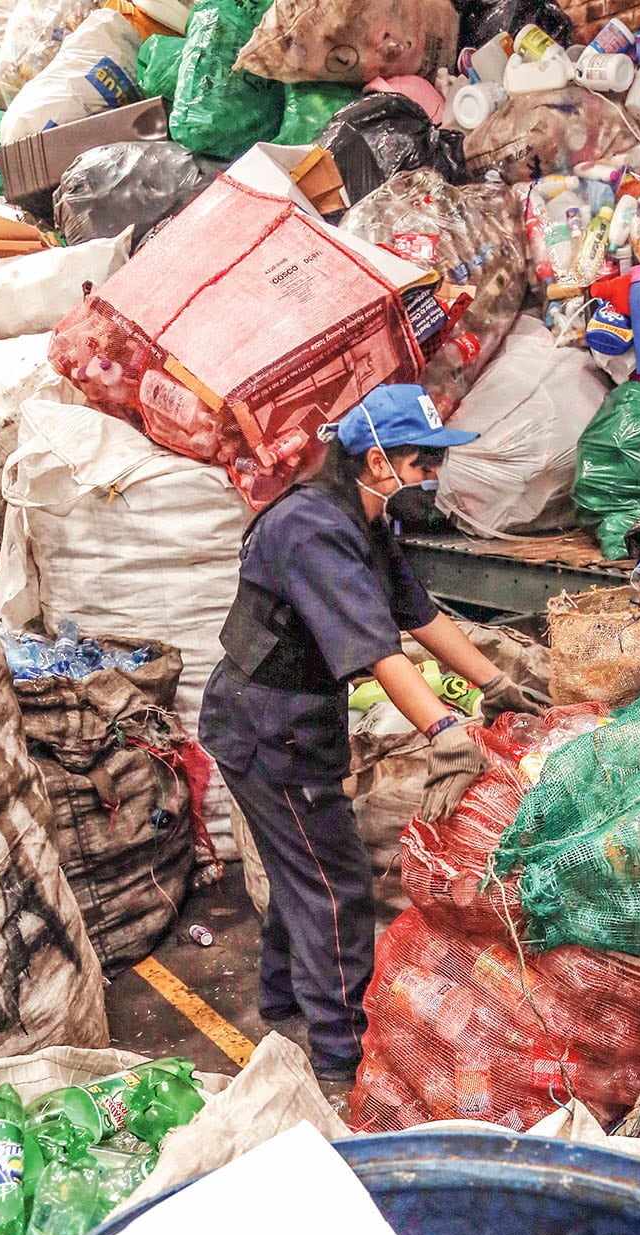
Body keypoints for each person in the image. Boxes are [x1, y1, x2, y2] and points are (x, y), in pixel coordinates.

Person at [199, 384, 548, 1082]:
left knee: (299, 866)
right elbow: (376, 649)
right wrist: (446, 729)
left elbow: (417, 616)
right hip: (269, 726)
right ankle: (340, 1054)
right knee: (334, 887)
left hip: (292, 720)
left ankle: (277, 999)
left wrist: (495, 683)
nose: (432, 479)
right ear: (377, 461)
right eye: (423, 464)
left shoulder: (365, 522)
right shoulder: (312, 530)